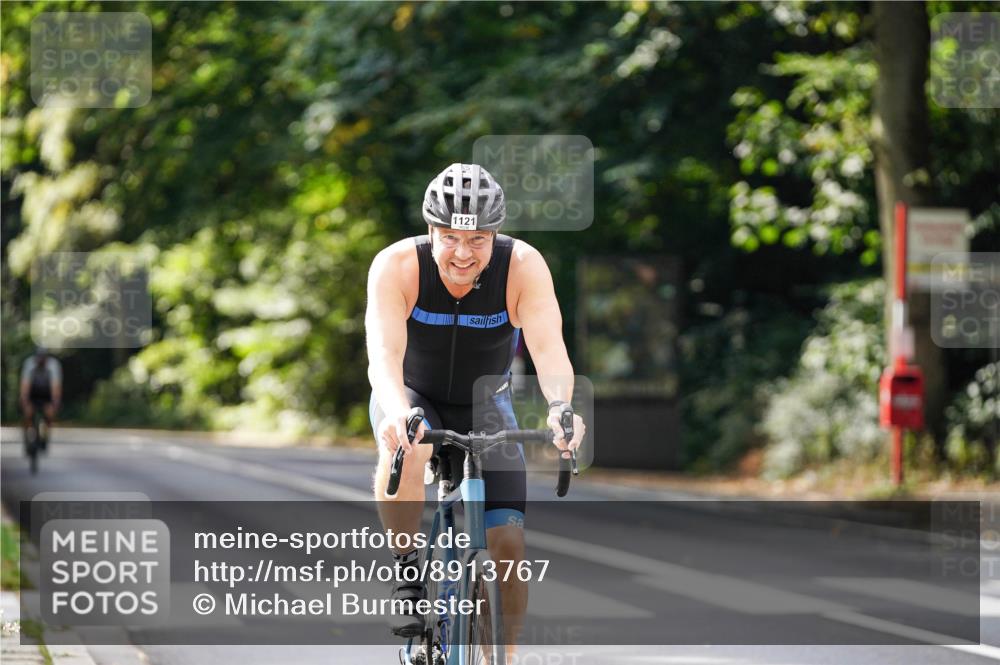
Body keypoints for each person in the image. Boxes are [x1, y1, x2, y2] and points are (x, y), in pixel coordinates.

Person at [366, 163, 586, 652]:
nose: (463, 253)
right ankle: (406, 572)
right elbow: (383, 356)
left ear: (495, 235)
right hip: (411, 395)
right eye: (449, 238)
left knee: (508, 547)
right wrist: (399, 412)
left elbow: (549, 349)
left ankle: (504, 657)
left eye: (478, 240)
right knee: (411, 446)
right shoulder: (397, 266)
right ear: (429, 230)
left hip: (487, 404)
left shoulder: (523, 267)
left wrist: (560, 408)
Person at [20, 346, 62, 451]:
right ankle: (27, 437)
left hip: (46, 392)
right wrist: (24, 399)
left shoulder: (53, 365)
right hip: (33, 391)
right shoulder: (29, 363)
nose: (41, 361)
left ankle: (45, 436)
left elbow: (55, 386)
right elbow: (25, 384)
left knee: (49, 414)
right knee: (28, 413)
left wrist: (55, 401)